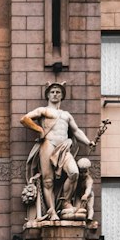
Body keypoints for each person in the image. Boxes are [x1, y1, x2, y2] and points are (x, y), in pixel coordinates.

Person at [21, 84, 95, 220]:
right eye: (52, 92)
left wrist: (88, 141)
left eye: (58, 92)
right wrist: (40, 130)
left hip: (63, 146)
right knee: (48, 181)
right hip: (48, 144)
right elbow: (25, 119)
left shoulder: (66, 115)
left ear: (62, 96)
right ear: (48, 95)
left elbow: (76, 131)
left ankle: (65, 202)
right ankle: (52, 211)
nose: (55, 94)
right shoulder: (43, 110)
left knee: (74, 173)